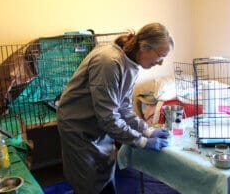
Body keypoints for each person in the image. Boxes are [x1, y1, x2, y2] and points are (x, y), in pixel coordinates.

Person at [57, 22, 174, 194]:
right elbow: (109, 117)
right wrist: (142, 142)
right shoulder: (109, 62)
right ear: (145, 47)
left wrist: (147, 131)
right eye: (160, 56)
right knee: (87, 182)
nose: (161, 63)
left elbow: (124, 108)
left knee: (105, 175)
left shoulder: (131, 62)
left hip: (98, 124)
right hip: (78, 128)